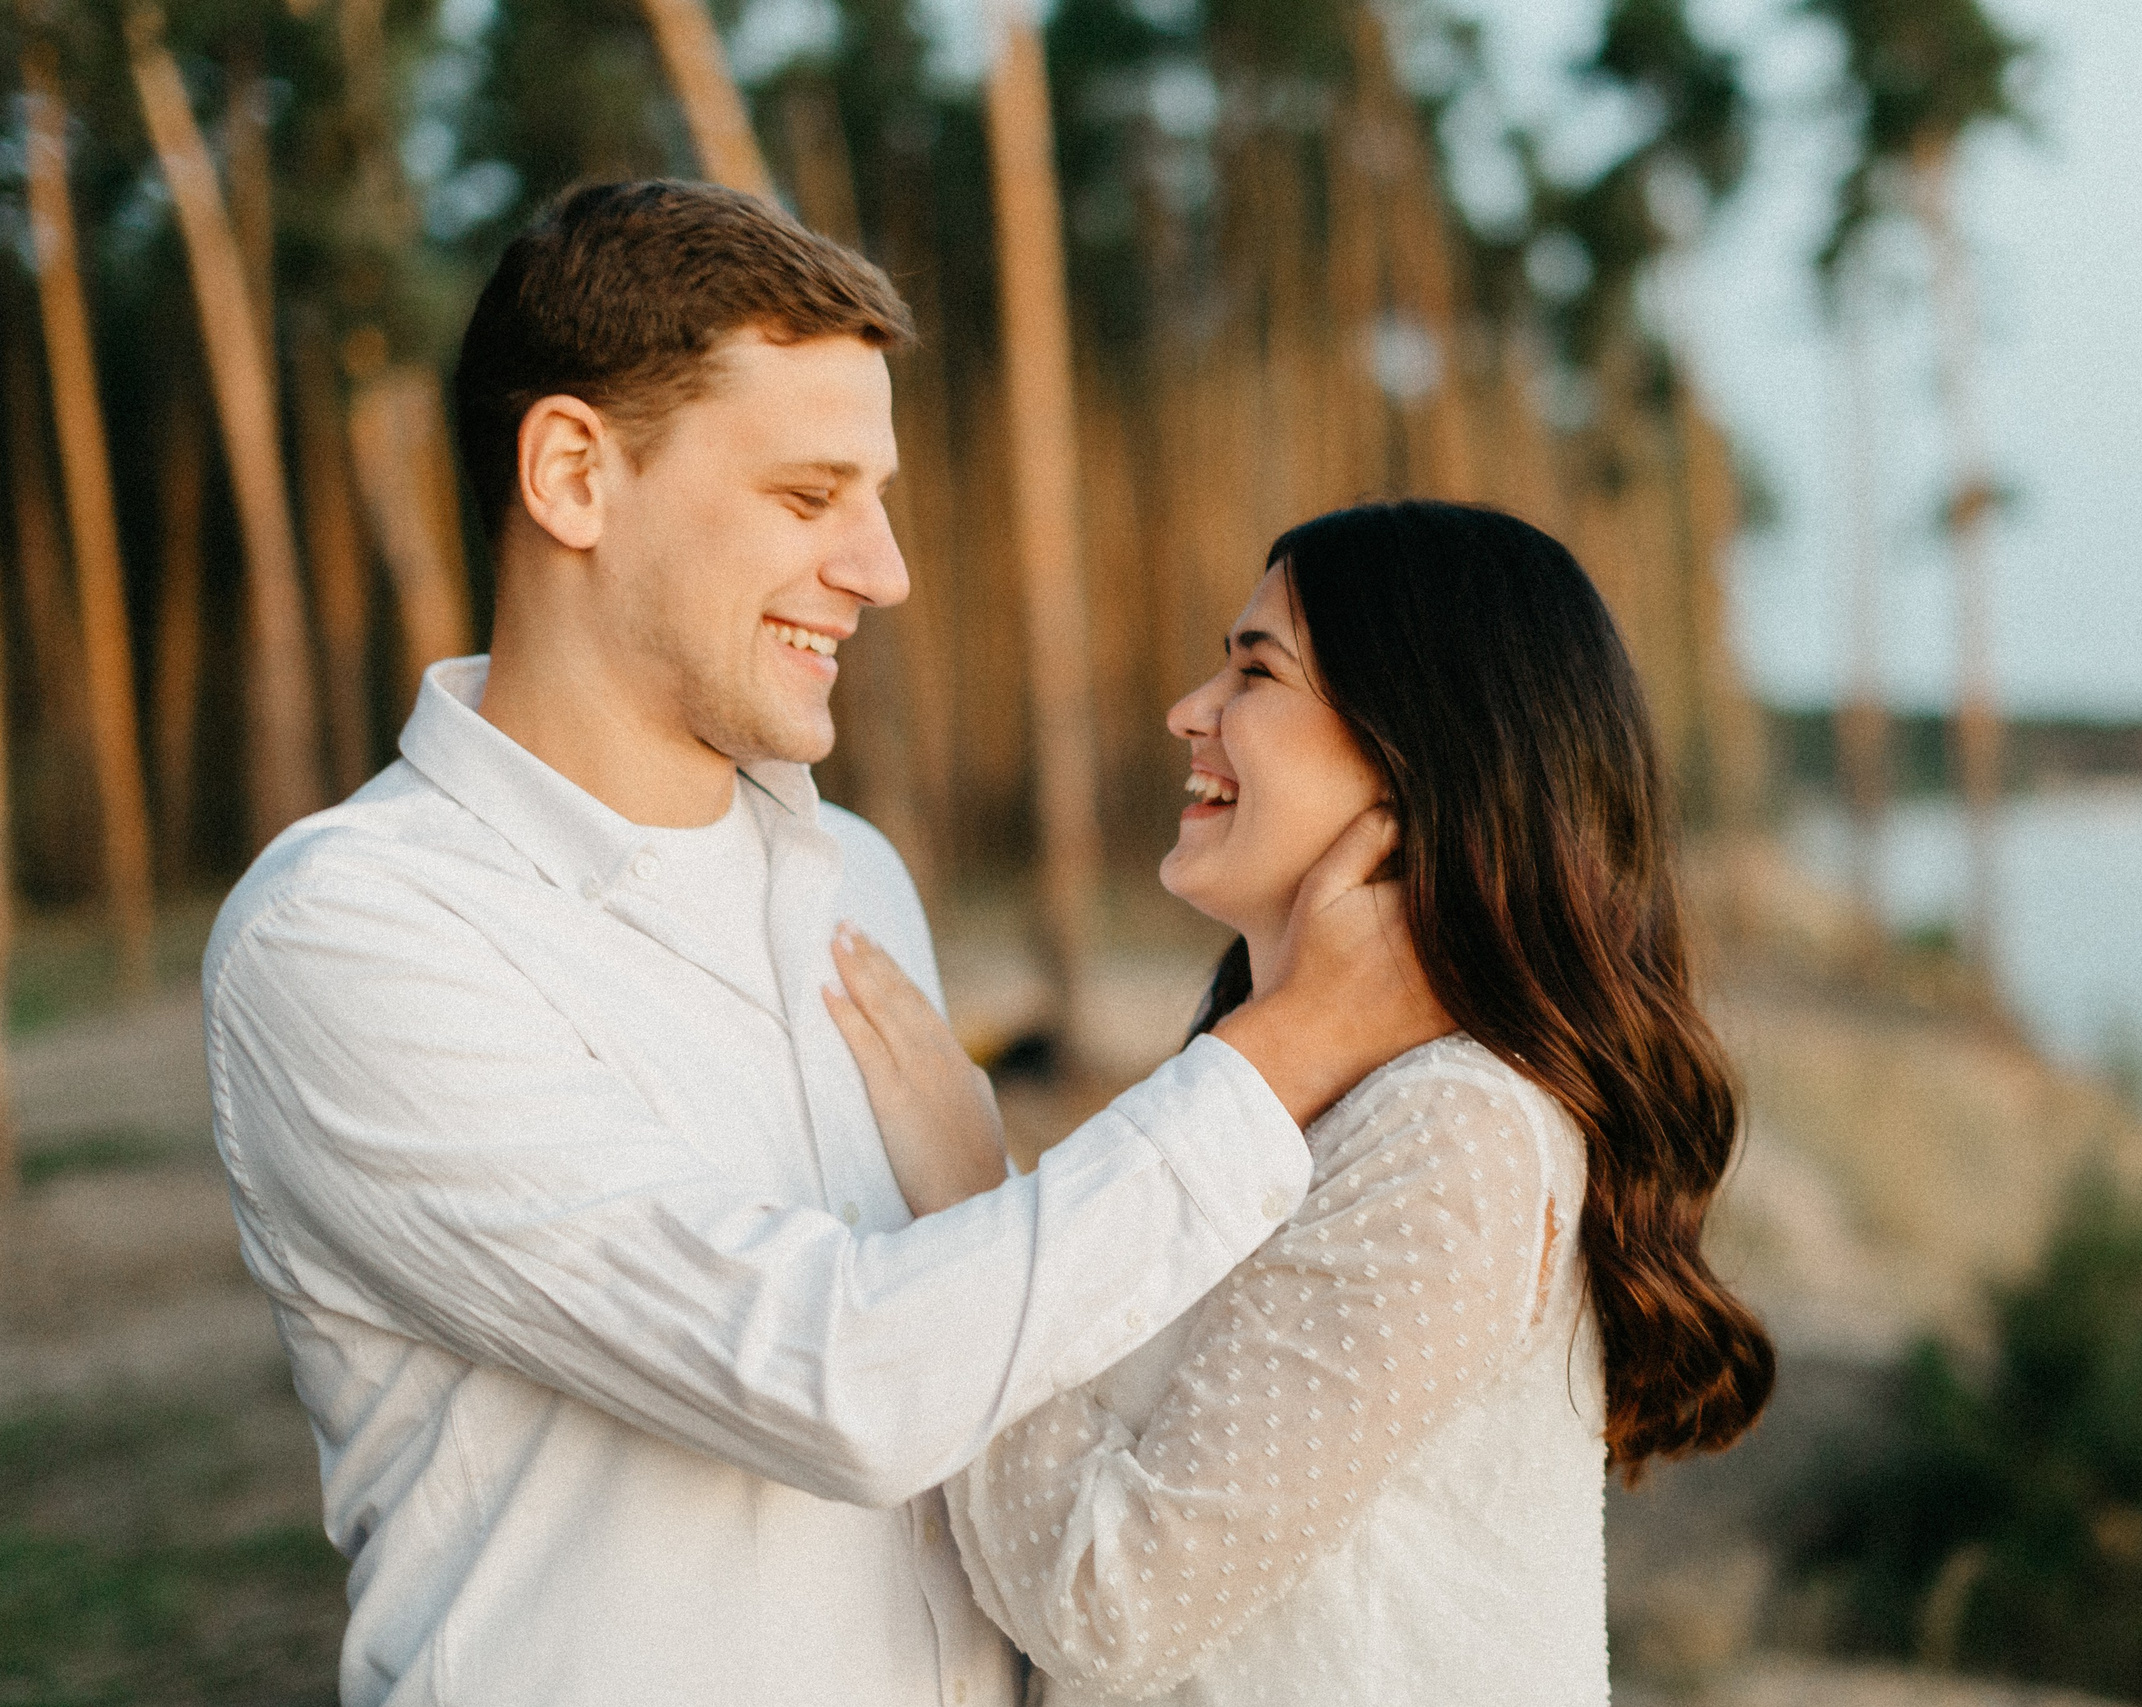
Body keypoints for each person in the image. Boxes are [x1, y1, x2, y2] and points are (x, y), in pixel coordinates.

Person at [199, 181, 1447, 1707]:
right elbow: (835, 1375)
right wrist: (1294, 1046)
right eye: (810, 496)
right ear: (574, 473)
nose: (885, 568)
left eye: (879, 497)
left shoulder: (854, 874)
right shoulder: (352, 934)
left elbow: (983, 1385)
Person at [825, 501, 1778, 1706]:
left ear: (1414, 750)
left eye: (1253, 671)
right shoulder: (1313, 1104)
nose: (1190, 710)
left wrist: (966, 1206)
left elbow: (1110, 1601)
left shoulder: (1457, 1133)